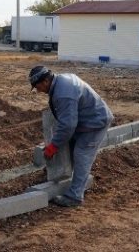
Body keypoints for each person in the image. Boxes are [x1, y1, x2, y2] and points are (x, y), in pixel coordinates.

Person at [29, 65, 113, 207]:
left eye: (37, 87)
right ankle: (65, 176)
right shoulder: (60, 82)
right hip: (84, 121)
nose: (38, 91)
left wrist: (53, 146)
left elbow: (68, 125)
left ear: (45, 81)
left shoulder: (63, 94)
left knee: (81, 155)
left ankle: (75, 196)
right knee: (71, 148)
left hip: (95, 123)